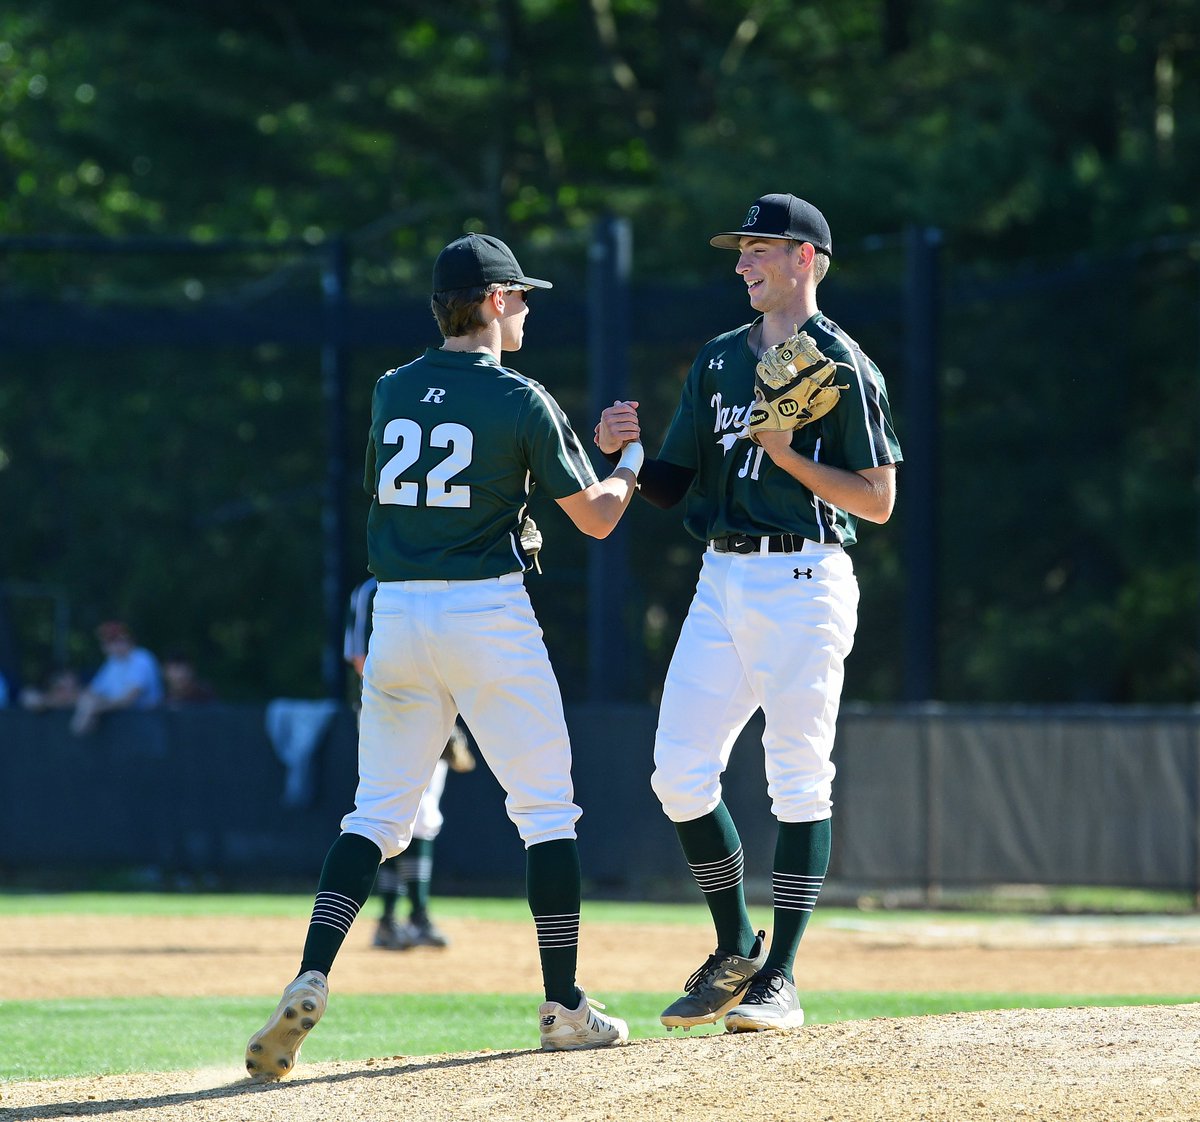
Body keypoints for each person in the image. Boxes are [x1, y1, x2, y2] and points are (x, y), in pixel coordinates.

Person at [246, 230, 644, 1082]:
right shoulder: (519, 396)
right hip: (485, 611)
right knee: (547, 812)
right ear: (493, 301)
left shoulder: (391, 390)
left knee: (374, 818)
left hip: (396, 613)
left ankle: (312, 970)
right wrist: (633, 460)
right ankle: (564, 1007)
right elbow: (600, 517)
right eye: (522, 296)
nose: (529, 310)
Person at [595, 193, 902, 1034]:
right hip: (721, 577)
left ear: (805, 258)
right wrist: (622, 451)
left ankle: (783, 979)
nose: (741, 263)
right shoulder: (722, 359)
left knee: (798, 776)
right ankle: (737, 943)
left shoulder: (842, 367)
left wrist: (787, 455)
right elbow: (669, 485)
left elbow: (877, 502)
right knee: (678, 773)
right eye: (740, 251)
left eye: (758, 249)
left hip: (805, 575)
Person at [343, 575, 476, 951]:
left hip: (438, 711)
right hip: (390, 710)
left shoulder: (447, 583)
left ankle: (413, 917)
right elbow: (360, 659)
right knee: (389, 813)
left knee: (424, 815)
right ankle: (391, 920)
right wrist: (414, 701)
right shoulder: (369, 590)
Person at [69, 620, 163, 735]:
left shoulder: (141, 659)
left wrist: (95, 709)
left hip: (149, 728)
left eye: (118, 640)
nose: (114, 645)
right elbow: (92, 691)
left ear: (129, 640)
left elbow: (128, 699)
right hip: (125, 732)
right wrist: (86, 705)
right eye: (109, 641)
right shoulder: (112, 663)